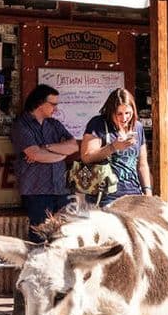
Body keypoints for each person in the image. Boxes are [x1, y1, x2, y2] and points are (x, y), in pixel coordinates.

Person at [11, 84, 78, 240]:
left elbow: (74, 146)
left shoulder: (54, 124)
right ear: (40, 104)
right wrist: (60, 155)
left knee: (65, 233)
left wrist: (47, 147)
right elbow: (34, 154)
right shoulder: (21, 125)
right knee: (40, 234)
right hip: (36, 190)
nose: (56, 108)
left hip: (60, 188)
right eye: (53, 104)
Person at [80, 87, 152, 204]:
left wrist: (148, 192)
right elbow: (86, 156)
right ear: (110, 111)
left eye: (128, 113)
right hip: (105, 196)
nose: (124, 118)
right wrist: (113, 147)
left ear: (133, 110)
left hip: (134, 194)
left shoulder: (137, 127)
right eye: (119, 114)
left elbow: (142, 164)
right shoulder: (98, 124)